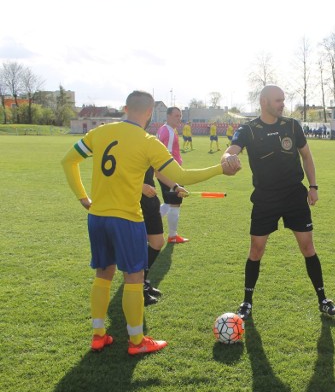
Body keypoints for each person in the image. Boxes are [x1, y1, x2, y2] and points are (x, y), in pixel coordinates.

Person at [61, 90, 237, 355]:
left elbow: (68, 161)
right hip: (127, 218)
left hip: (97, 217)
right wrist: (219, 169)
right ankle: (136, 342)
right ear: (149, 112)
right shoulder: (148, 141)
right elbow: (182, 175)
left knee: (103, 274)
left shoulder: (100, 132)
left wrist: (83, 197)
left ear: (125, 108)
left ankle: (98, 336)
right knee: (133, 277)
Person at [220, 85, 335, 320]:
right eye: (277, 100)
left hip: (295, 196)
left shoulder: (292, 126)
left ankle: (323, 300)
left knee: (308, 248)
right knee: (256, 250)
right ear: (264, 101)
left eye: (283, 100)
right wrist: (228, 158)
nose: (282, 104)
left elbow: (306, 155)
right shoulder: (249, 129)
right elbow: (229, 152)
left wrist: (313, 186)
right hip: (265, 198)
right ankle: (246, 302)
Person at [140, 166, 189, 305]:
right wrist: (139, 186)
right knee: (139, 245)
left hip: (150, 201)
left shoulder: (151, 144)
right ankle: (139, 286)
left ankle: (142, 280)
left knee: (157, 243)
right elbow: (118, 174)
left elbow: (158, 172)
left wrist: (175, 186)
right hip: (133, 201)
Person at [157, 108, 189, 243]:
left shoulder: (163, 129)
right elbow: (167, 156)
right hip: (170, 173)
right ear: (168, 116)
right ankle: (172, 236)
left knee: (169, 203)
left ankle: (147, 228)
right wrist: (174, 176)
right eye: (176, 115)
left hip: (165, 173)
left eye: (180, 116)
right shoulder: (169, 132)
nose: (179, 118)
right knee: (175, 203)